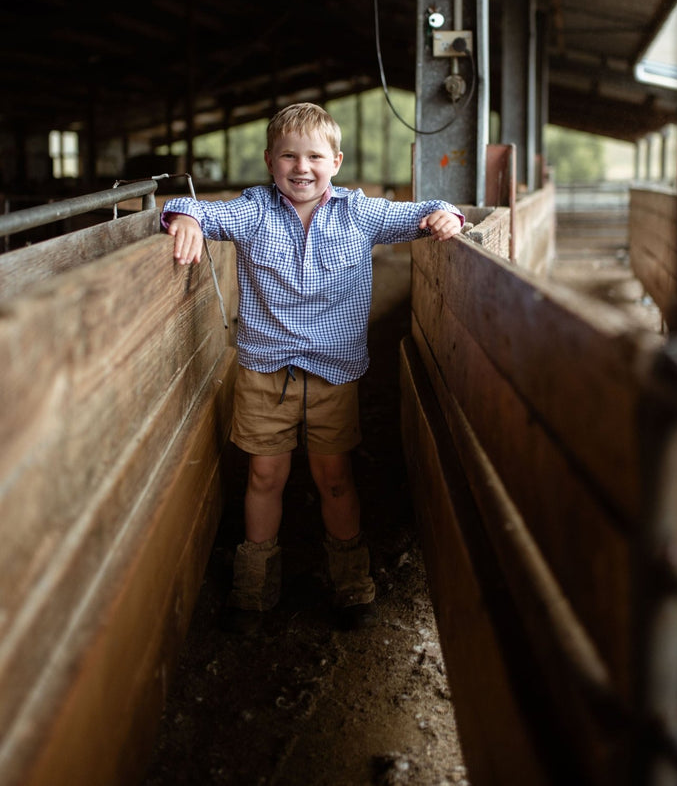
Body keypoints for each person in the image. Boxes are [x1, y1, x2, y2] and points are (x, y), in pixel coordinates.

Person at [162, 102, 463, 633]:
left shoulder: (359, 213)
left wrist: (447, 216)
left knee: (335, 477)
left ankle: (351, 581)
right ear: (269, 161)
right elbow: (198, 210)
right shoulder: (254, 210)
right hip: (265, 373)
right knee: (264, 474)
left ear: (335, 162)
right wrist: (184, 217)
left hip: (333, 375)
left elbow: (427, 211)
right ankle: (255, 584)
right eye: (288, 156)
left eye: (315, 157)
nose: (301, 167)